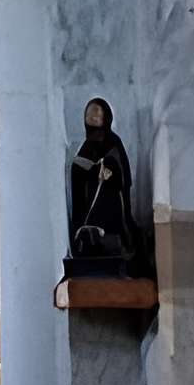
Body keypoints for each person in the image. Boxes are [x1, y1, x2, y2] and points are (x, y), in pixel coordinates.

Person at [65, 96, 137, 268]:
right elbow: (79, 173)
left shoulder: (113, 141)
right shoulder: (86, 145)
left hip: (110, 202)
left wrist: (109, 172)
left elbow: (122, 174)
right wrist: (86, 170)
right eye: (89, 116)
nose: (93, 119)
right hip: (89, 202)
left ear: (106, 118)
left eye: (97, 116)